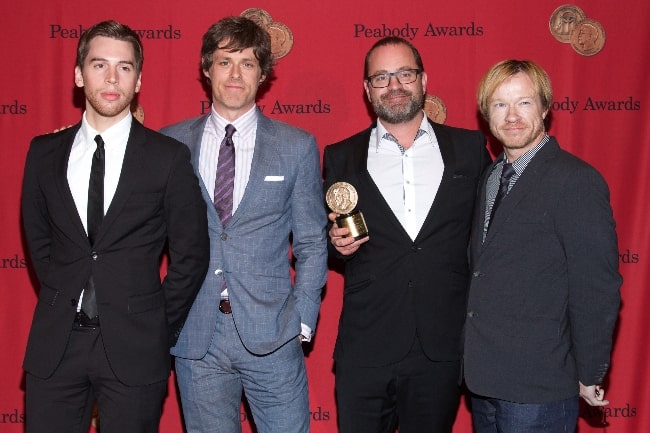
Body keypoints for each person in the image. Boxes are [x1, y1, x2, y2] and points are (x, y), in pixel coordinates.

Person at [21, 20, 209, 433]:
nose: (111, 78)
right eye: (99, 64)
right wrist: (63, 291)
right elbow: (39, 242)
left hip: (135, 346)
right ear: (78, 74)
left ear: (138, 80)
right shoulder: (43, 153)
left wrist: (155, 323)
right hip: (56, 344)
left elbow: (192, 255)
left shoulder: (168, 158)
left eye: (124, 68)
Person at [160, 16, 328, 433]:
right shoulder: (169, 144)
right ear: (206, 69)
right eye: (224, 61)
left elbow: (310, 241)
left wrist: (302, 319)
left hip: (273, 335)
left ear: (263, 74)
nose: (235, 73)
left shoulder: (296, 146)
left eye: (248, 63)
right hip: (196, 337)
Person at [323, 36, 490, 433]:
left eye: (404, 73)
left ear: (423, 80)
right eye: (381, 77)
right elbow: (326, 233)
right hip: (366, 344)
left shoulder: (469, 148)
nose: (394, 85)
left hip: (442, 346)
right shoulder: (340, 155)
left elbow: (490, 238)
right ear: (367, 89)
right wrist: (337, 244)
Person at [463, 59, 621, 433]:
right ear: (487, 114)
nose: (512, 116)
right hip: (484, 382)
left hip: (541, 384)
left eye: (524, 103)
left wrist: (589, 370)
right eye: (500, 104)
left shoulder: (576, 181)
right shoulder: (490, 176)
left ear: (546, 108)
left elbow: (597, 287)